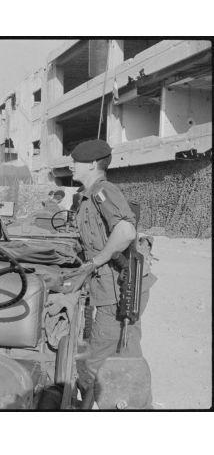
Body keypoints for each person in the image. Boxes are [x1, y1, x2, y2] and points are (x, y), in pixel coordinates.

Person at [63, 139, 149, 405]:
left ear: (92, 164)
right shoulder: (88, 197)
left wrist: (95, 262)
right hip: (109, 288)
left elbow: (125, 231)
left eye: (75, 161)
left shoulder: (103, 191)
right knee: (120, 360)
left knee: (99, 366)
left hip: (118, 290)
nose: (71, 166)